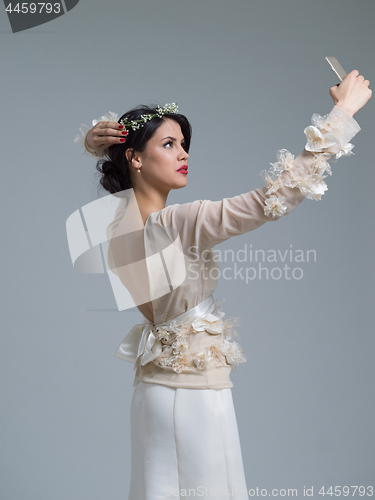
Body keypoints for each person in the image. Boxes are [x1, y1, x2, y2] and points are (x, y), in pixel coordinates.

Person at [75, 70, 371, 499]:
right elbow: (276, 197)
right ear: (135, 158)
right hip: (191, 393)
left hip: (155, 392)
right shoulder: (177, 222)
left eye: (183, 144)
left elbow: (121, 176)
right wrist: (342, 112)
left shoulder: (113, 223)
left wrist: (92, 142)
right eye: (169, 144)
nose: (184, 154)